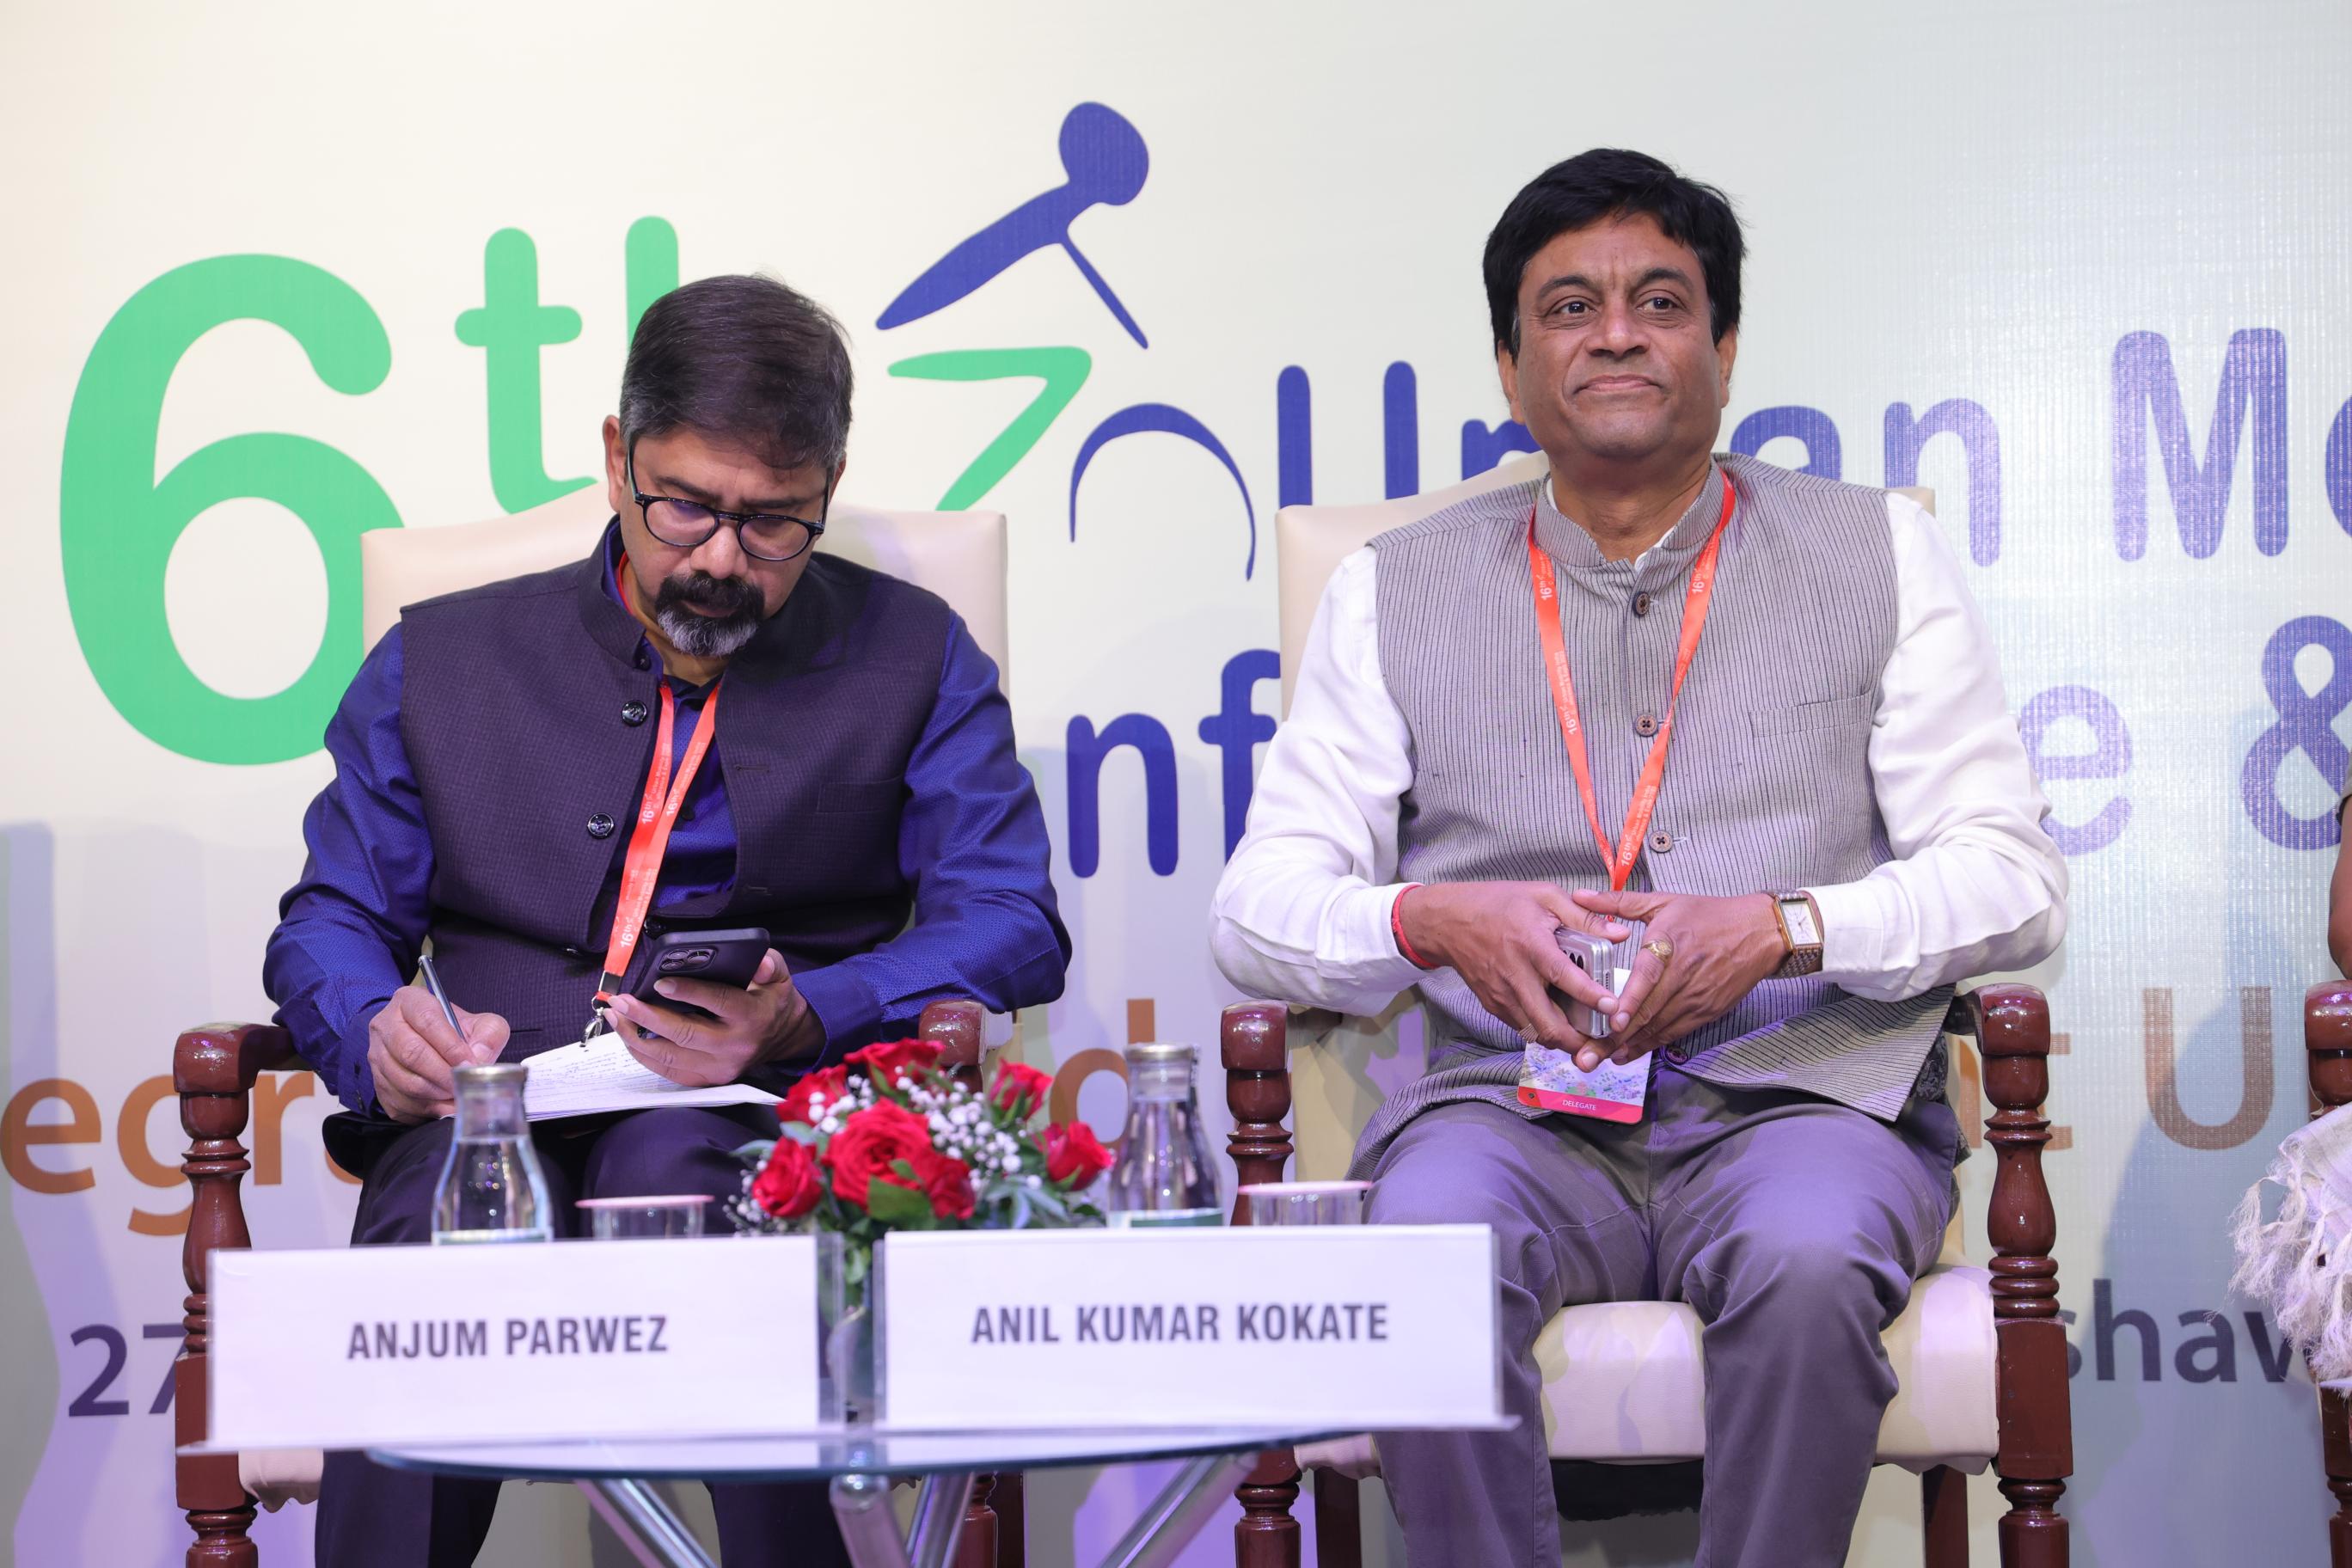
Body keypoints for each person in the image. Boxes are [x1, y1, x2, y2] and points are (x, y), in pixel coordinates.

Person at [1210, 149, 2067, 1566]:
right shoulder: (1392, 590)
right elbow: (1258, 910)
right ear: (1508, 368)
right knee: (1424, 1265)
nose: (1616, 334)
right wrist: (1433, 921)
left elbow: (2014, 878)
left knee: (1807, 1263)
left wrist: (1788, 926)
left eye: (1661, 301)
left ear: (1725, 349)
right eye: (1569, 307)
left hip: (1804, 1104)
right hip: (1511, 1117)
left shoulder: (1876, 555)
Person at [266, 273, 1069, 1566]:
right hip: (488, 1108)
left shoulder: (915, 656)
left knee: (686, 1188)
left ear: (828, 487)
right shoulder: (441, 660)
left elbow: (1012, 918)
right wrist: (372, 1025)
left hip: (751, 1113)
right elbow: (330, 917)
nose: (719, 559)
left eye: (773, 523)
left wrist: (811, 1012)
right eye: (685, 506)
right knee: (437, 1231)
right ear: (616, 458)